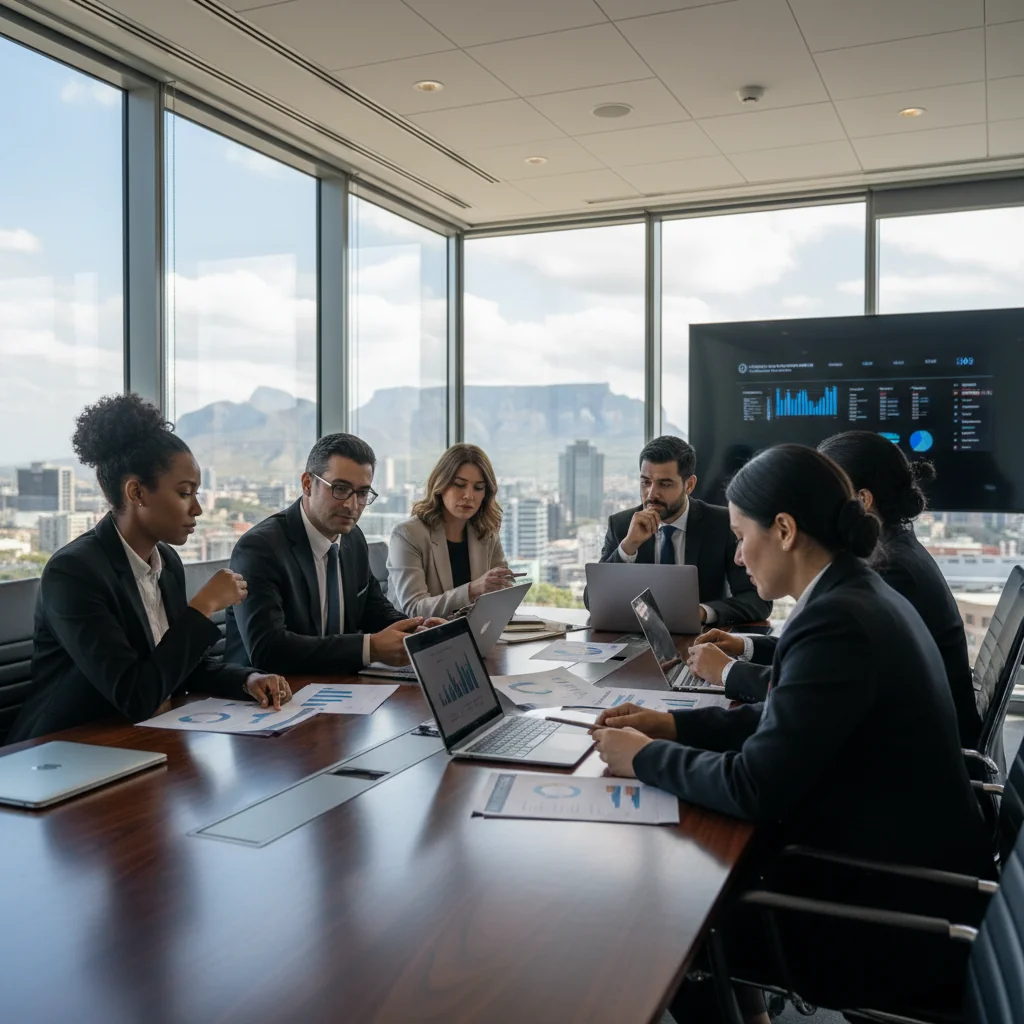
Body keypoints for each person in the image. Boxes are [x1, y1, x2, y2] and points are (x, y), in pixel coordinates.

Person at [591, 444, 991, 1021]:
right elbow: (783, 716)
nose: (736, 554)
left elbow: (756, 786)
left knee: (671, 912)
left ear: (783, 529)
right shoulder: (853, 592)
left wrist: (646, 758)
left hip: (882, 914)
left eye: (739, 534)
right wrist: (673, 723)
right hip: (906, 870)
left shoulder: (837, 619)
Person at [10, 395, 290, 743]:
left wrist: (246, 680)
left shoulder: (166, 562)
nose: (198, 509)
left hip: (137, 741)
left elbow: (178, 667)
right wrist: (203, 608)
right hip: (66, 749)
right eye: (185, 493)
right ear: (136, 493)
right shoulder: (73, 573)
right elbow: (136, 695)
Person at [689, 431, 981, 748]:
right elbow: (821, 659)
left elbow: (820, 676)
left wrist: (727, 672)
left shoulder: (889, 572)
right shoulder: (887, 556)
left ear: (862, 501)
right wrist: (745, 646)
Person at [224, 433, 443, 675]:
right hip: (267, 697)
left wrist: (418, 630)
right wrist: (369, 648)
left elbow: (374, 610)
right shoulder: (260, 548)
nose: (352, 505)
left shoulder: (352, 538)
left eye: (362, 493)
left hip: (338, 688)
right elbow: (268, 650)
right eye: (340, 489)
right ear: (307, 484)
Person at [588, 435, 771, 625]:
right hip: (636, 638)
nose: (652, 494)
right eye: (646, 482)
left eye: (664, 484)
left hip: (704, 641)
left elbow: (758, 600)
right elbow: (592, 600)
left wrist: (701, 613)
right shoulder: (621, 525)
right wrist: (628, 547)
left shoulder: (722, 524)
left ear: (689, 485)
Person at [387, 444, 518, 619]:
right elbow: (415, 610)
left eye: (478, 488)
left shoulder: (487, 534)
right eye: (459, 485)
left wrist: (504, 595)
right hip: (420, 640)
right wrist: (472, 590)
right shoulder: (408, 535)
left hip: (474, 636)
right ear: (441, 484)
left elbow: (502, 598)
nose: (469, 495)